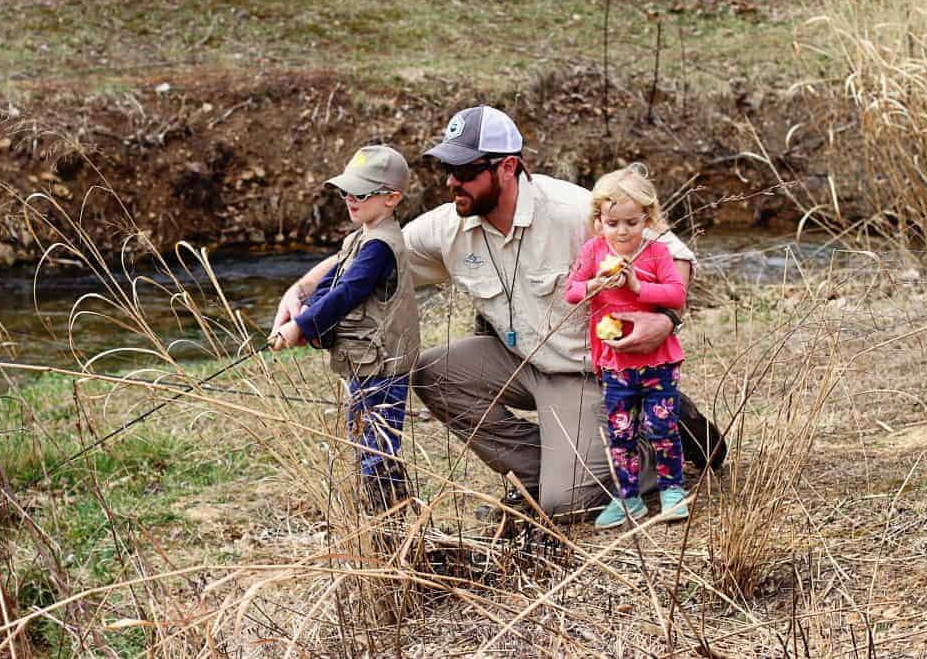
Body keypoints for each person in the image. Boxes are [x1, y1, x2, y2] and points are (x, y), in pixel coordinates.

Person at [274, 106, 717, 517]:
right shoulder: (447, 225)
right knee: (430, 372)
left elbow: (673, 252)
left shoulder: (572, 209)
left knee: (567, 503)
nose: (451, 182)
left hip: (586, 372)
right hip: (517, 361)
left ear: (506, 167)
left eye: (465, 171)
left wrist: (664, 321)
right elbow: (374, 252)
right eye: (447, 169)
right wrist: (301, 290)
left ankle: (655, 442)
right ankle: (558, 466)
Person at [272, 145, 420, 511]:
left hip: (383, 367)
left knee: (376, 448)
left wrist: (300, 328)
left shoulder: (380, 246)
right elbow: (332, 282)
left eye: (362, 193)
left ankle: (386, 524)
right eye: (346, 192)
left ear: (391, 199)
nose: (351, 200)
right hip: (363, 363)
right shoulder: (360, 238)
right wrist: (305, 314)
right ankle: (394, 517)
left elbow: (348, 291)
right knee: (366, 440)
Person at [565, 166, 690, 528]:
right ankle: (627, 497)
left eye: (632, 223)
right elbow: (571, 292)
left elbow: (677, 296)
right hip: (616, 363)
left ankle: (672, 491)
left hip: (658, 361)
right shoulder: (593, 252)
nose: (622, 231)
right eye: (613, 222)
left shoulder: (656, 253)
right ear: (599, 221)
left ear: (647, 219)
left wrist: (637, 287)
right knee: (622, 432)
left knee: (661, 425)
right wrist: (595, 285)